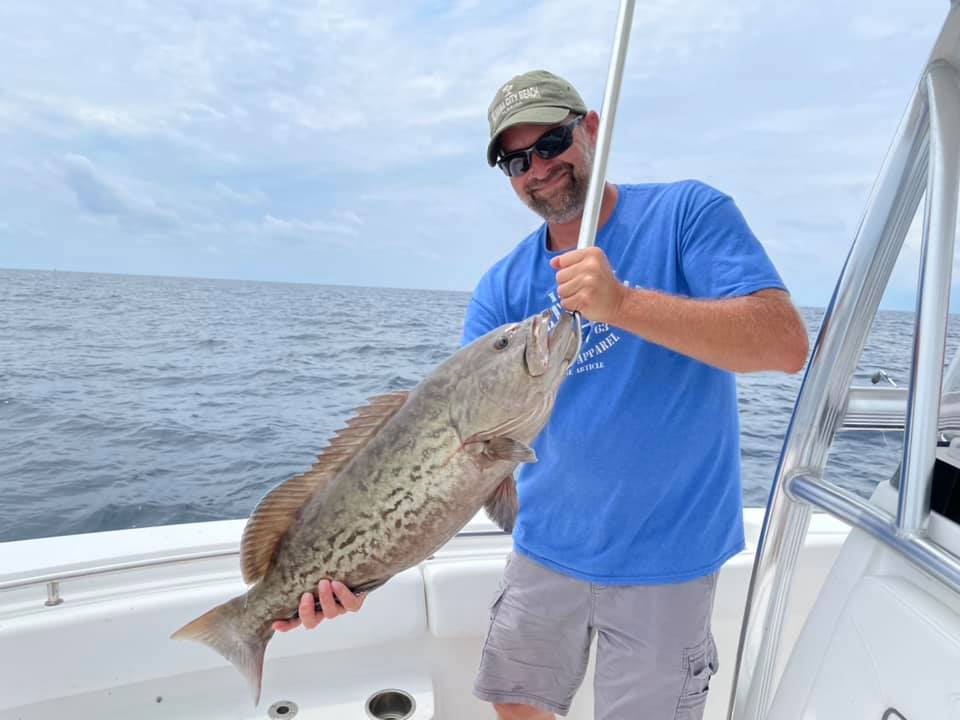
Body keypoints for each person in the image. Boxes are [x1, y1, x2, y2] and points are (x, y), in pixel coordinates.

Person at [275, 69, 809, 720]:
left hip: (665, 559)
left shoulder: (687, 215)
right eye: (515, 159)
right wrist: (362, 569)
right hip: (545, 550)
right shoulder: (500, 288)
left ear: (591, 130)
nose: (537, 168)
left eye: (551, 143)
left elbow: (784, 345)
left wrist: (624, 303)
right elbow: (452, 453)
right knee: (516, 704)